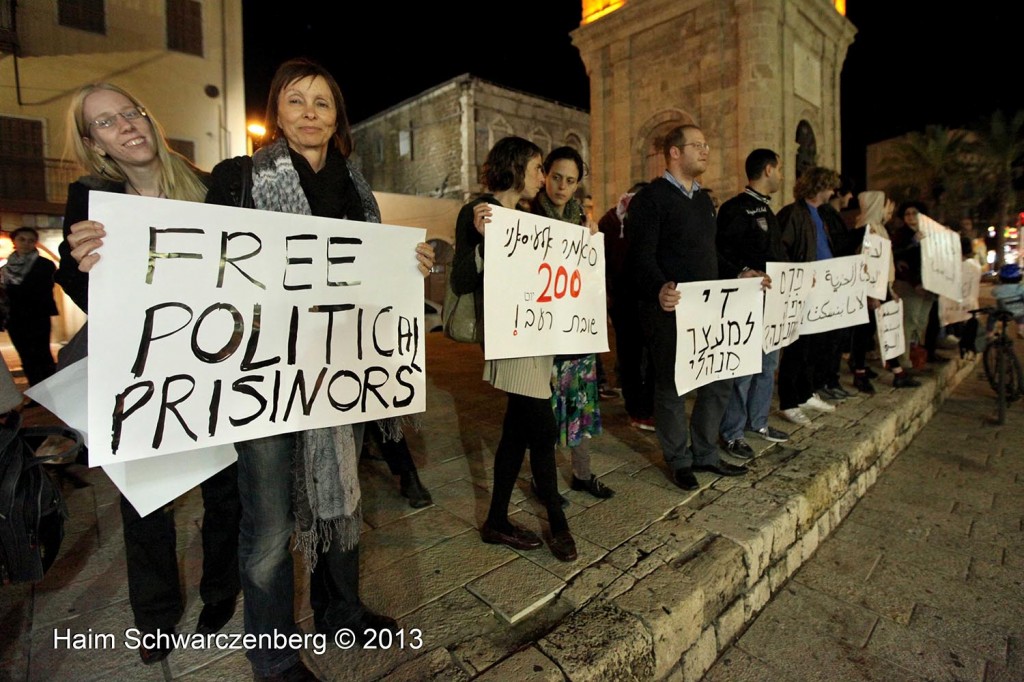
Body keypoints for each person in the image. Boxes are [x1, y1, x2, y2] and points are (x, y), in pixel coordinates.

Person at [204, 58, 434, 682]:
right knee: (271, 523)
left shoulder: (357, 187)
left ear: (338, 118)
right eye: (297, 101)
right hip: (266, 378)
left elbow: (374, 274)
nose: (310, 113)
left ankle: (341, 609)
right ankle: (273, 660)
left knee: (343, 495)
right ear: (275, 111)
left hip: (341, 370)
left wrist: (406, 263)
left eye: (323, 103)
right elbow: (207, 268)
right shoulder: (238, 178)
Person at [57, 83, 240, 665]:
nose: (126, 127)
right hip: (136, 367)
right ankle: (155, 618)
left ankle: (219, 592)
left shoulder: (210, 187)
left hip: (211, 361)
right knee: (145, 500)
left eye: (131, 112)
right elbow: (86, 286)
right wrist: (79, 259)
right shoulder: (90, 198)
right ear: (95, 144)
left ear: (148, 117)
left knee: (225, 491)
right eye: (106, 123)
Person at [450, 135, 578, 562]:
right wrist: (484, 241)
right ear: (516, 166)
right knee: (541, 429)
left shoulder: (524, 214)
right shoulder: (478, 212)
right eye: (538, 168)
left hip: (534, 335)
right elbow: (461, 280)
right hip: (510, 337)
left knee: (516, 432)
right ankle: (557, 525)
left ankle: (496, 521)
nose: (543, 178)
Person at [624, 124, 749, 491]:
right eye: (698, 145)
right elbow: (639, 258)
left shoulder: (702, 202)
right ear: (674, 152)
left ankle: (706, 453)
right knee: (672, 386)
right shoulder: (651, 199)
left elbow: (709, 257)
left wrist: (740, 273)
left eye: (706, 144)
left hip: (709, 310)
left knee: (719, 378)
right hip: (670, 310)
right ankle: (679, 460)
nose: (706, 151)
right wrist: (659, 286)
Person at [531, 147, 614, 501]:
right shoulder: (528, 215)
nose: (562, 187)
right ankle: (543, 481)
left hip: (577, 329)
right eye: (555, 178)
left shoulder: (582, 219)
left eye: (570, 180)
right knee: (545, 411)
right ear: (544, 176)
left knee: (580, 401)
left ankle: (582, 474)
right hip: (544, 329)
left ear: (578, 183)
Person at [715, 149, 790, 459]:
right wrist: (742, 272)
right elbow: (720, 252)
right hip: (745, 302)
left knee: (767, 364)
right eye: (780, 169)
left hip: (771, 301)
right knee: (742, 369)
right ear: (769, 169)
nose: (782, 176)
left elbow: (777, 255)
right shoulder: (735, 208)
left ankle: (757, 423)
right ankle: (731, 432)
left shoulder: (768, 210)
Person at [775, 166, 842, 426]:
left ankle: (805, 393)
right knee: (796, 347)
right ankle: (789, 401)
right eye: (830, 186)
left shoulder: (819, 214)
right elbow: (782, 249)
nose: (833, 191)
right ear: (819, 186)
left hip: (820, 291)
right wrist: (799, 276)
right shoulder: (794, 214)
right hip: (802, 290)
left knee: (813, 346)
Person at [848, 191, 920, 392]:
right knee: (865, 331)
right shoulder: (868, 229)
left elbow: (883, 263)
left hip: (881, 288)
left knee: (882, 329)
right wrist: (873, 295)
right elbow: (868, 264)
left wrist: (889, 290)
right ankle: (862, 373)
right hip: (871, 290)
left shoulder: (879, 228)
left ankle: (894, 370)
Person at [599, 181, 654, 431]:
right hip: (623, 300)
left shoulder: (648, 219)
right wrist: (607, 294)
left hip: (648, 299)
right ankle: (637, 410)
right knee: (630, 356)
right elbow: (600, 262)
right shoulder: (611, 222)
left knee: (650, 356)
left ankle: (647, 407)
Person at [1, 227, 58, 387]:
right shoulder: (7, 268)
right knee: (25, 356)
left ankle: (51, 390)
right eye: (22, 239)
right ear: (15, 241)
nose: (26, 243)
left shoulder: (44, 265)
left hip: (37, 316)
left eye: (31, 240)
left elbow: (41, 289)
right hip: (15, 319)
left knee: (42, 354)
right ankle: (35, 390)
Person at [990, 263, 1024, 338]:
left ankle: (990, 332)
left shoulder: (998, 289)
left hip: (1003, 312)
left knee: (992, 315)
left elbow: (993, 293)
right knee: (1021, 318)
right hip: (1020, 312)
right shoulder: (1021, 287)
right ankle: (1020, 330)